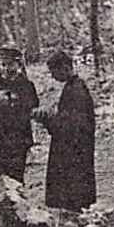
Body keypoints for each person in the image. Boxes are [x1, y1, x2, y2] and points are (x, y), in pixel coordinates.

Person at [33, 50, 96, 211]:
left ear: (65, 68)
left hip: (73, 150)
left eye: (54, 72)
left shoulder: (76, 90)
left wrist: (47, 118)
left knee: (71, 194)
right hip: (73, 148)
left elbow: (69, 126)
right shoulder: (73, 87)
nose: (53, 77)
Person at [0, 46, 38, 187]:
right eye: (3, 65)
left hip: (18, 139)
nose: (6, 69)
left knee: (16, 178)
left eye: (10, 64)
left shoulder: (26, 86)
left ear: (19, 65)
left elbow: (31, 106)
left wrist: (9, 105)